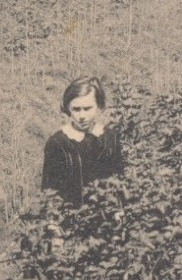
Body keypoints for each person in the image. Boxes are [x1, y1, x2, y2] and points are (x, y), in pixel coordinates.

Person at [42, 76, 125, 206]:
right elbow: (49, 191)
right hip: (71, 220)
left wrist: (120, 210)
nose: (82, 116)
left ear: (99, 107)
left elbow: (120, 182)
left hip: (107, 219)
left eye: (87, 108)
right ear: (68, 108)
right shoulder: (57, 143)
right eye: (76, 109)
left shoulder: (111, 138)